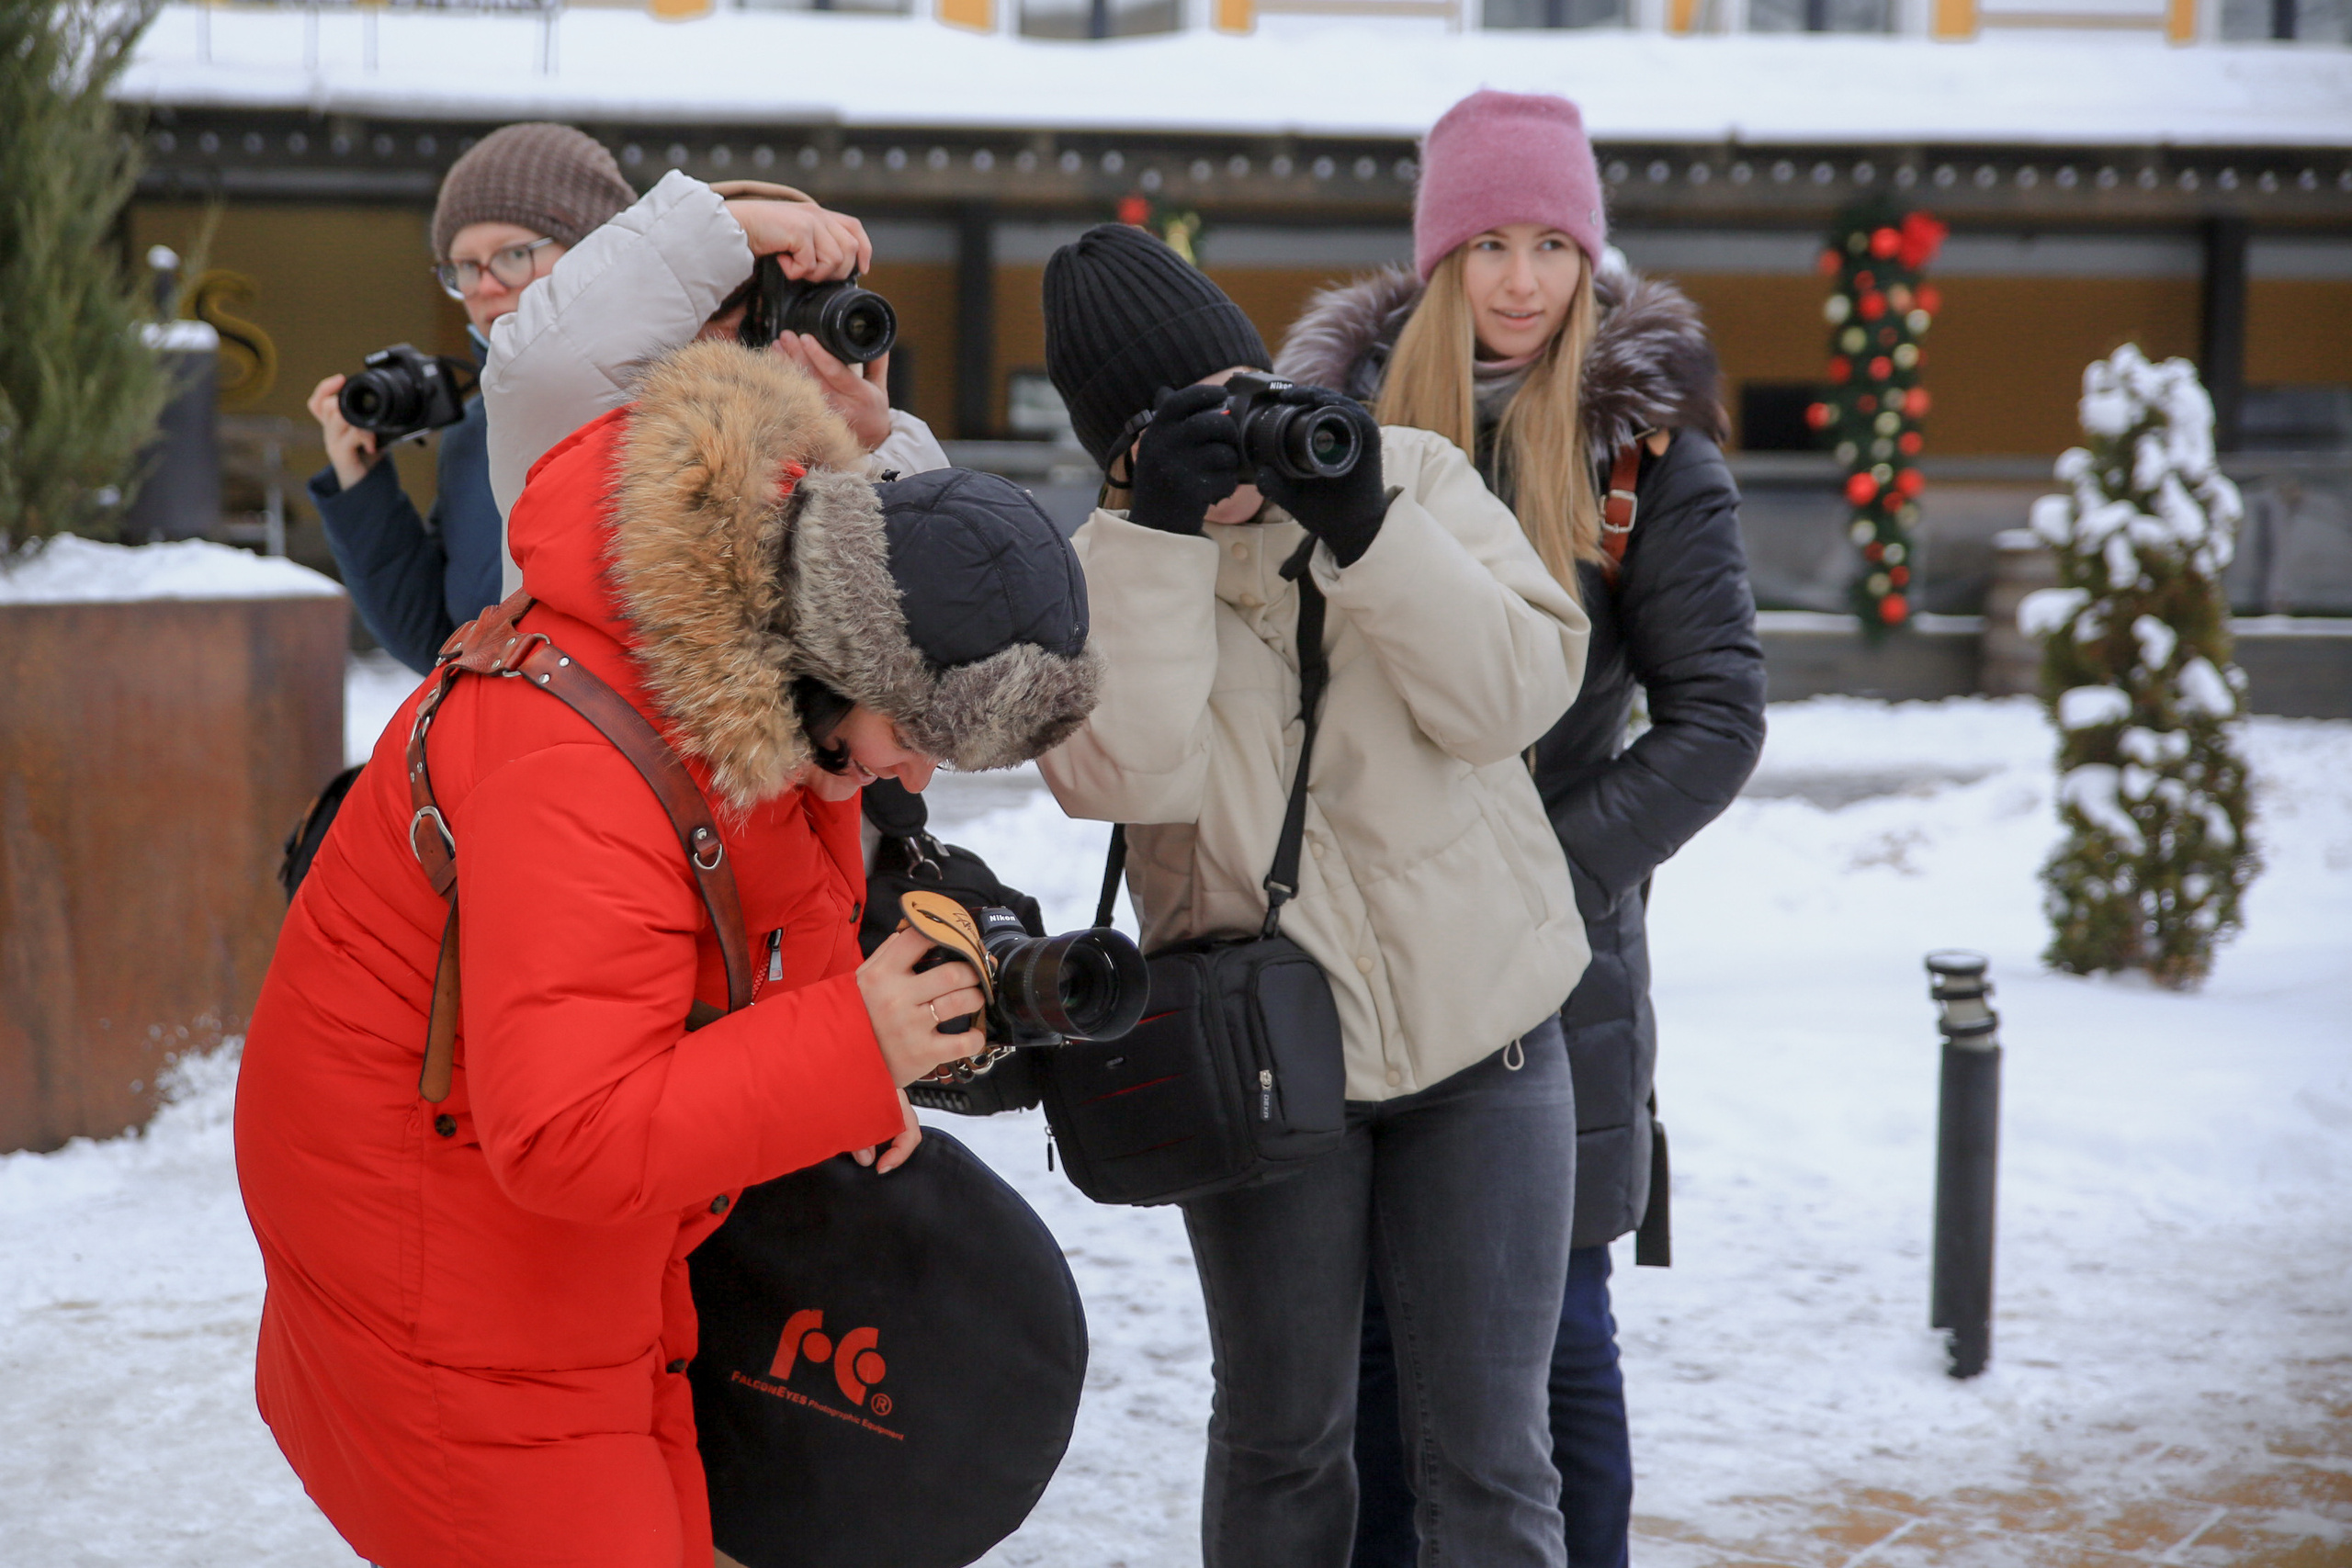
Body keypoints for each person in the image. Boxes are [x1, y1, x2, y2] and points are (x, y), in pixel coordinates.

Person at [235, 339, 1100, 1568]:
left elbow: (771, 912)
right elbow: (566, 1131)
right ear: (845, 658)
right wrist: (850, 1044)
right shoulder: (579, 761)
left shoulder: (769, 688)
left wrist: (831, 1095)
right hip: (435, 1232)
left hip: (552, 1214)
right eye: (914, 734)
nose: (915, 775)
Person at [1037, 222, 1594, 1568]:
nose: (1227, 451)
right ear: (1119, 450)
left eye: (1232, 404)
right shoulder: (1097, 568)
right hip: (1264, 1066)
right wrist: (1157, 535)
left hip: (1488, 1038)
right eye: (1174, 435)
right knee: (1285, 1439)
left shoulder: (1408, 475)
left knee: (1493, 1456)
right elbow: (1123, 775)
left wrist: (1370, 531)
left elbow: (1516, 696)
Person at [1276, 89, 1768, 1568]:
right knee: (1366, 1349)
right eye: (1488, 242)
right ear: (1437, 259)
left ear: (1590, 255)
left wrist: (1525, 874)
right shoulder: (1329, 431)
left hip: (1552, 974)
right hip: (1352, 955)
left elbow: (1717, 722)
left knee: (1550, 1340)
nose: (1520, 280)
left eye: (1553, 242)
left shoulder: (1645, 455)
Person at [481, 169, 947, 581]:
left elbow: (930, 594)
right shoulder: (593, 422)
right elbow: (543, 370)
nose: (763, 325)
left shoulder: (869, 438)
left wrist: (867, 447)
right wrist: (734, 227)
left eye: (801, 298)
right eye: (733, 293)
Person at [304, 122, 634, 673]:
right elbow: (441, 643)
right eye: (463, 266)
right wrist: (360, 484)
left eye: (512, 255)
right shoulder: (473, 433)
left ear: (593, 252)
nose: (483, 286)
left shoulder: (674, 406)